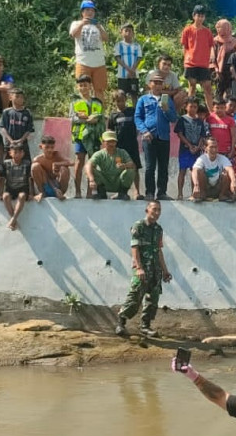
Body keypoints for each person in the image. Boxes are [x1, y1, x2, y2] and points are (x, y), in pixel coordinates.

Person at [116, 200, 173, 337]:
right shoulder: (139, 226)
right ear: (147, 210)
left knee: (152, 299)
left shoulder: (158, 229)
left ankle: (145, 327)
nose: (157, 212)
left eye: (159, 210)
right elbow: (134, 248)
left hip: (155, 269)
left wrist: (165, 271)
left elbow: (159, 250)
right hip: (142, 268)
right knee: (135, 295)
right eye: (154, 209)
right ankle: (121, 323)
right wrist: (139, 268)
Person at [135, 74, 177, 200]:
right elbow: (137, 117)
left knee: (163, 167)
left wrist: (166, 110)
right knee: (150, 167)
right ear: (149, 84)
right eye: (155, 82)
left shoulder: (167, 100)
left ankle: (162, 192)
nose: (158, 85)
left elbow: (173, 118)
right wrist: (144, 131)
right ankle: (149, 193)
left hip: (164, 137)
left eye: (160, 83)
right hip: (149, 137)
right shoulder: (143, 99)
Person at [70, 74, 105, 198]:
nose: (83, 88)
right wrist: (86, 120)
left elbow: (101, 118)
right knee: (79, 163)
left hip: (94, 137)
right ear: (77, 87)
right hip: (80, 136)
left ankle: (90, 193)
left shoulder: (97, 102)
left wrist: (95, 119)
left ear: (90, 86)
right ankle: (78, 191)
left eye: (85, 85)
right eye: (80, 85)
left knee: (93, 164)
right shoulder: (75, 102)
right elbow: (72, 118)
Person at [70, 0, 108, 97]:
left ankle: (100, 111)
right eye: (87, 10)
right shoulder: (76, 23)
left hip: (99, 63)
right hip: (83, 62)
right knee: (83, 90)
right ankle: (83, 112)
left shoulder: (98, 25)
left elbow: (106, 38)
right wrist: (82, 24)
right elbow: (73, 34)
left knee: (99, 90)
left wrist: (99, 27)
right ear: (82, 12)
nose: (90, 12)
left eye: (92, 10)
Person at [173, 96, 208, 200]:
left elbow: (202, 136)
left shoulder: (200, 121)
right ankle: (180, 194)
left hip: (196, 151)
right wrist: (189, 145)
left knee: (195, 171)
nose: (193, 109)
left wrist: (198, 147)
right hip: (185, 150)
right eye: (191, 106)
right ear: (186, 107)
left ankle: (194, 193)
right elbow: (179, 134)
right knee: (182, 171)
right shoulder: (182, 119)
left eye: (195, 107)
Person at [87, 131, 136, 200]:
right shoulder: (99, 154)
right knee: (90, 169)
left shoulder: (122, 152)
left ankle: (122, 193)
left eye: (113, 141)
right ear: (103, 142)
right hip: (105, 181)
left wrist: (124, 165)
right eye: (108, 141)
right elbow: (89, 164)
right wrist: (91, 180)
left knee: (131, 171)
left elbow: (132, 164)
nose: (111, 144)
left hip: (119, 181)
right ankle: (101, 193)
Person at [180, 5, 213, 103]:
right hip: (191, 63)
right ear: (194, 16)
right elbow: (184, 46)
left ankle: (212, 113)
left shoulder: (207, 32)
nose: (200, 18)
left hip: (203, 63)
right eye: (198, 15)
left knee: (207, 87)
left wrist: (212, 56)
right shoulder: (187, 30)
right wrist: (186, 59)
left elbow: (211, 46)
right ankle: (190, 110)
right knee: (192, 86)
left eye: (202, 16)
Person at [190, 137, 236, 202]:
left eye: (216, 147)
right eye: (211, 147)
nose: (214, 150)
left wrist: (233, 182)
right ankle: (202, 195)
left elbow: (230, 169)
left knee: (226, 173)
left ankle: (222, 195)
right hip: (206, 187)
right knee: (198, 171)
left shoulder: (222, 158)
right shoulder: (202, 158)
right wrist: (196, 185)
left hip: (218, 188)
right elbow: (195, 170)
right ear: (205, 148)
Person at [2, 141, 33, 230]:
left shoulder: (27, 164)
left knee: (22, 196)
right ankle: (13, 219)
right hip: (10, 188)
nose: (17, 155)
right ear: (10, 153)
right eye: (15, 152)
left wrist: (31, 193)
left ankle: (13, 220)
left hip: (22, 188)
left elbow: (30, 179)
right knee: (5, 196)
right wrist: (0, 192)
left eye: (19, 152)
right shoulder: (6, 163)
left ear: (23, 153)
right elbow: (2, 179)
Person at [31, 135, 71, 202]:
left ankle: (61, 194)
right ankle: (42, 193)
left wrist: (56, 164)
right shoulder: (37, 159)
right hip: (46, 185)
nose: (50, 150)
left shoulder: (57, 155)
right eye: (47, 147)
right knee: (35, 166)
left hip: (58, 187)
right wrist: (31, 194)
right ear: (41, 147)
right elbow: (33, 177)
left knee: (65, 169)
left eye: (52, 147)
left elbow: (71, 162)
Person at [113, 22, 144, 97]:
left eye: (130, 31)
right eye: (126, 30)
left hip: (134, 75)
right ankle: (123, 109)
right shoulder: (118, 45)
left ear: (133, 33)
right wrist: (128, 70)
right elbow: (118, 58)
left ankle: (134, 109)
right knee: (121, 95)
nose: (128, 32)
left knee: (134, 95)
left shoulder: (137, 46)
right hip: (122, 76)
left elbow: (139, 58)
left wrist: (132, 70)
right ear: (121, 33)